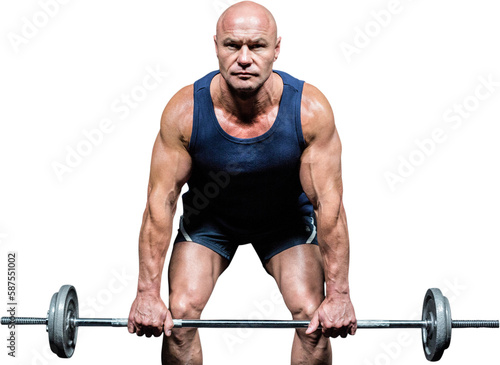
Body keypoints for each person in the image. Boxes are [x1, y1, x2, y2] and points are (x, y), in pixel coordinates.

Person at [128, 1, 357, 364]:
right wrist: (146, 292)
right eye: (233, 45)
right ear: (216, 46)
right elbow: (161, 204)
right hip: (210, 222)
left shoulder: (309, 111)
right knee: (181, 315)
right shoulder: (184, 113)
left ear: (276, 49)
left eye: (258, 46)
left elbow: (329, 207)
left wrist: (340, 295)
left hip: (285, 224)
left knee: (313, 318)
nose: (245, 58)